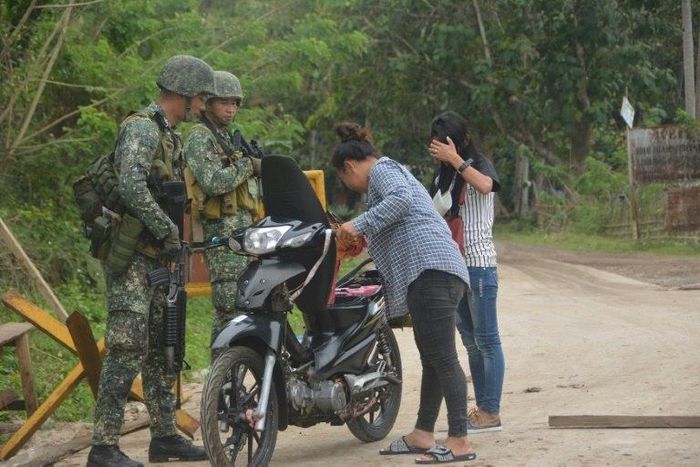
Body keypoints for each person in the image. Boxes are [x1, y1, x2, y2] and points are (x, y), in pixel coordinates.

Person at [87, 55, 215, 467]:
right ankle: (103, 447)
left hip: (157, 259)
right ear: (182, 94)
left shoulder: (170, 135)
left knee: (162, 349)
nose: (201, 105)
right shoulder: (142, 128)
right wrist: (167, 229)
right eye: (198, 97)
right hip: (134, 261)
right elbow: (131, 186)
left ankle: (164, 438)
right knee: (127, 347)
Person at [333, 122, 477, 464]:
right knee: (432, 358)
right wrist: (358, 235)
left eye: (344, 180)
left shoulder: (383, 170)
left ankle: (459, 440)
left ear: (349, 167)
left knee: (443, 358)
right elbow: (396, 216)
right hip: (434, 272)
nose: (349, 186)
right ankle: (423, 434)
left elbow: (401, 201)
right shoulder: (389, 174)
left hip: (432, 271)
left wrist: (357, 223)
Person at [428, 110, 505, 434]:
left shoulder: (478, 164)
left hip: (480, 265)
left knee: (488, 341)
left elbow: (486, 186)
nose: (440, 149)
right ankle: (483, 409)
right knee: (471, 342)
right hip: (454, 269)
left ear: (461, 141)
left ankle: (491, 411)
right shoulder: (441, 176)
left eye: (445, 143)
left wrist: (457, 160)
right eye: (436, 144)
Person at [182, 70, 261, 362]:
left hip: (241, 238)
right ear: (209, 103)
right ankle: (221, 383)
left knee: (240, 310)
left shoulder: (225, 137)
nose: (231, 109)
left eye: (235, 103)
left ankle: (230, 380)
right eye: (224, 102)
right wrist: (248, 167)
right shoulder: (200, 138)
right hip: (221, 239)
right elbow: (213, 182)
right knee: (229, 308)